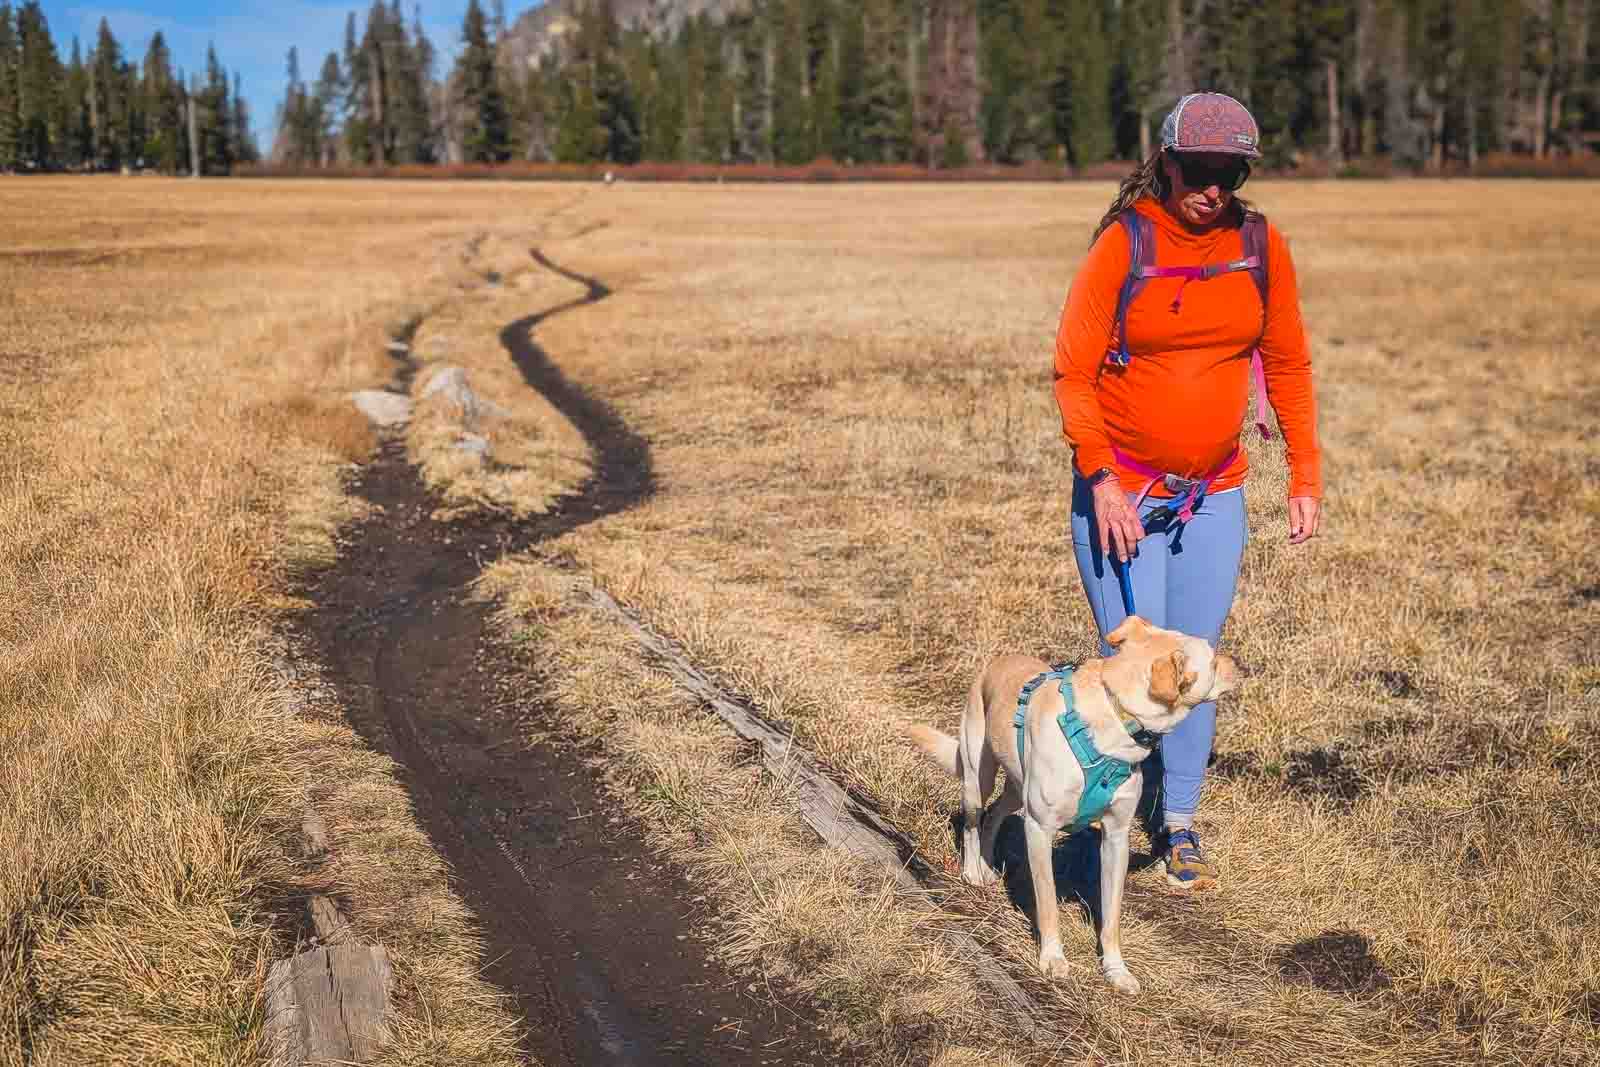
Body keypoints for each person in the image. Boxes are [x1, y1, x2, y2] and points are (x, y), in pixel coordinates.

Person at [1052, 92, 1323, 891]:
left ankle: (1178, 824)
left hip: (1213, 495)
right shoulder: (1123, 244)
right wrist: (1099, 479)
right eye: (1200, 170)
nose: (1214, 187)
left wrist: (1303, 472)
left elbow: (1290, 363)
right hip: (1124, 494)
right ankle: (1103, 809)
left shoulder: (1259, 243)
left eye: (1230, 171)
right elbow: (1072, 371)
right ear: (1167, 163)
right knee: (1136, 665)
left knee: (1195, 664)